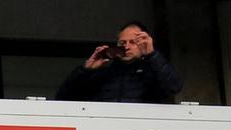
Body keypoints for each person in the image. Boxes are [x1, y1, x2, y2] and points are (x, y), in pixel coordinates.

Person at [54, 21, 182, 103]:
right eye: (122, 43)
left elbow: (173, 87)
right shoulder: (103, 72)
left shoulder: (153, 70)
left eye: (133, 42)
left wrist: (152, 54)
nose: (126, 47)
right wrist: (86, 70)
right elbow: (63, 98)